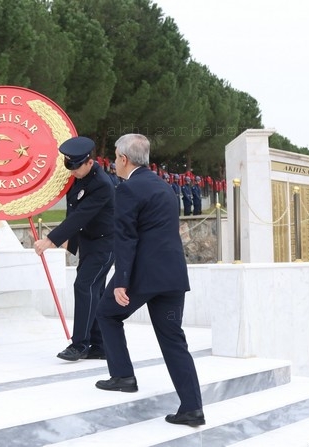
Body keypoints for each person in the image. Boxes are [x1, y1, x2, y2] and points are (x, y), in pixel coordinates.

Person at [94, 133, 205, 427]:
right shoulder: (163, 185)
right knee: (173, 340)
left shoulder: (129, 189)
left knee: (106, 313)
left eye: (116, 156)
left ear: (123, 159)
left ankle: (123, 376)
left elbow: (127, 238)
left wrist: (121, 280)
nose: (115, 162)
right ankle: (192, 408)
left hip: (142, 277)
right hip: (172, 277)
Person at [34, 136, 115, 361]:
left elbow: (81, 215)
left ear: (90, 162)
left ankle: (79, 344)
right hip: (90, 242)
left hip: (104, 244)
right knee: (94, 291)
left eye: (76, 166)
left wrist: (51, 240)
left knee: (84, 286)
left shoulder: (101, 184)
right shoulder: (81, 175)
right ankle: (98, 345)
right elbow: (74, 209)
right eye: (68, 165)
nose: (72, 171)